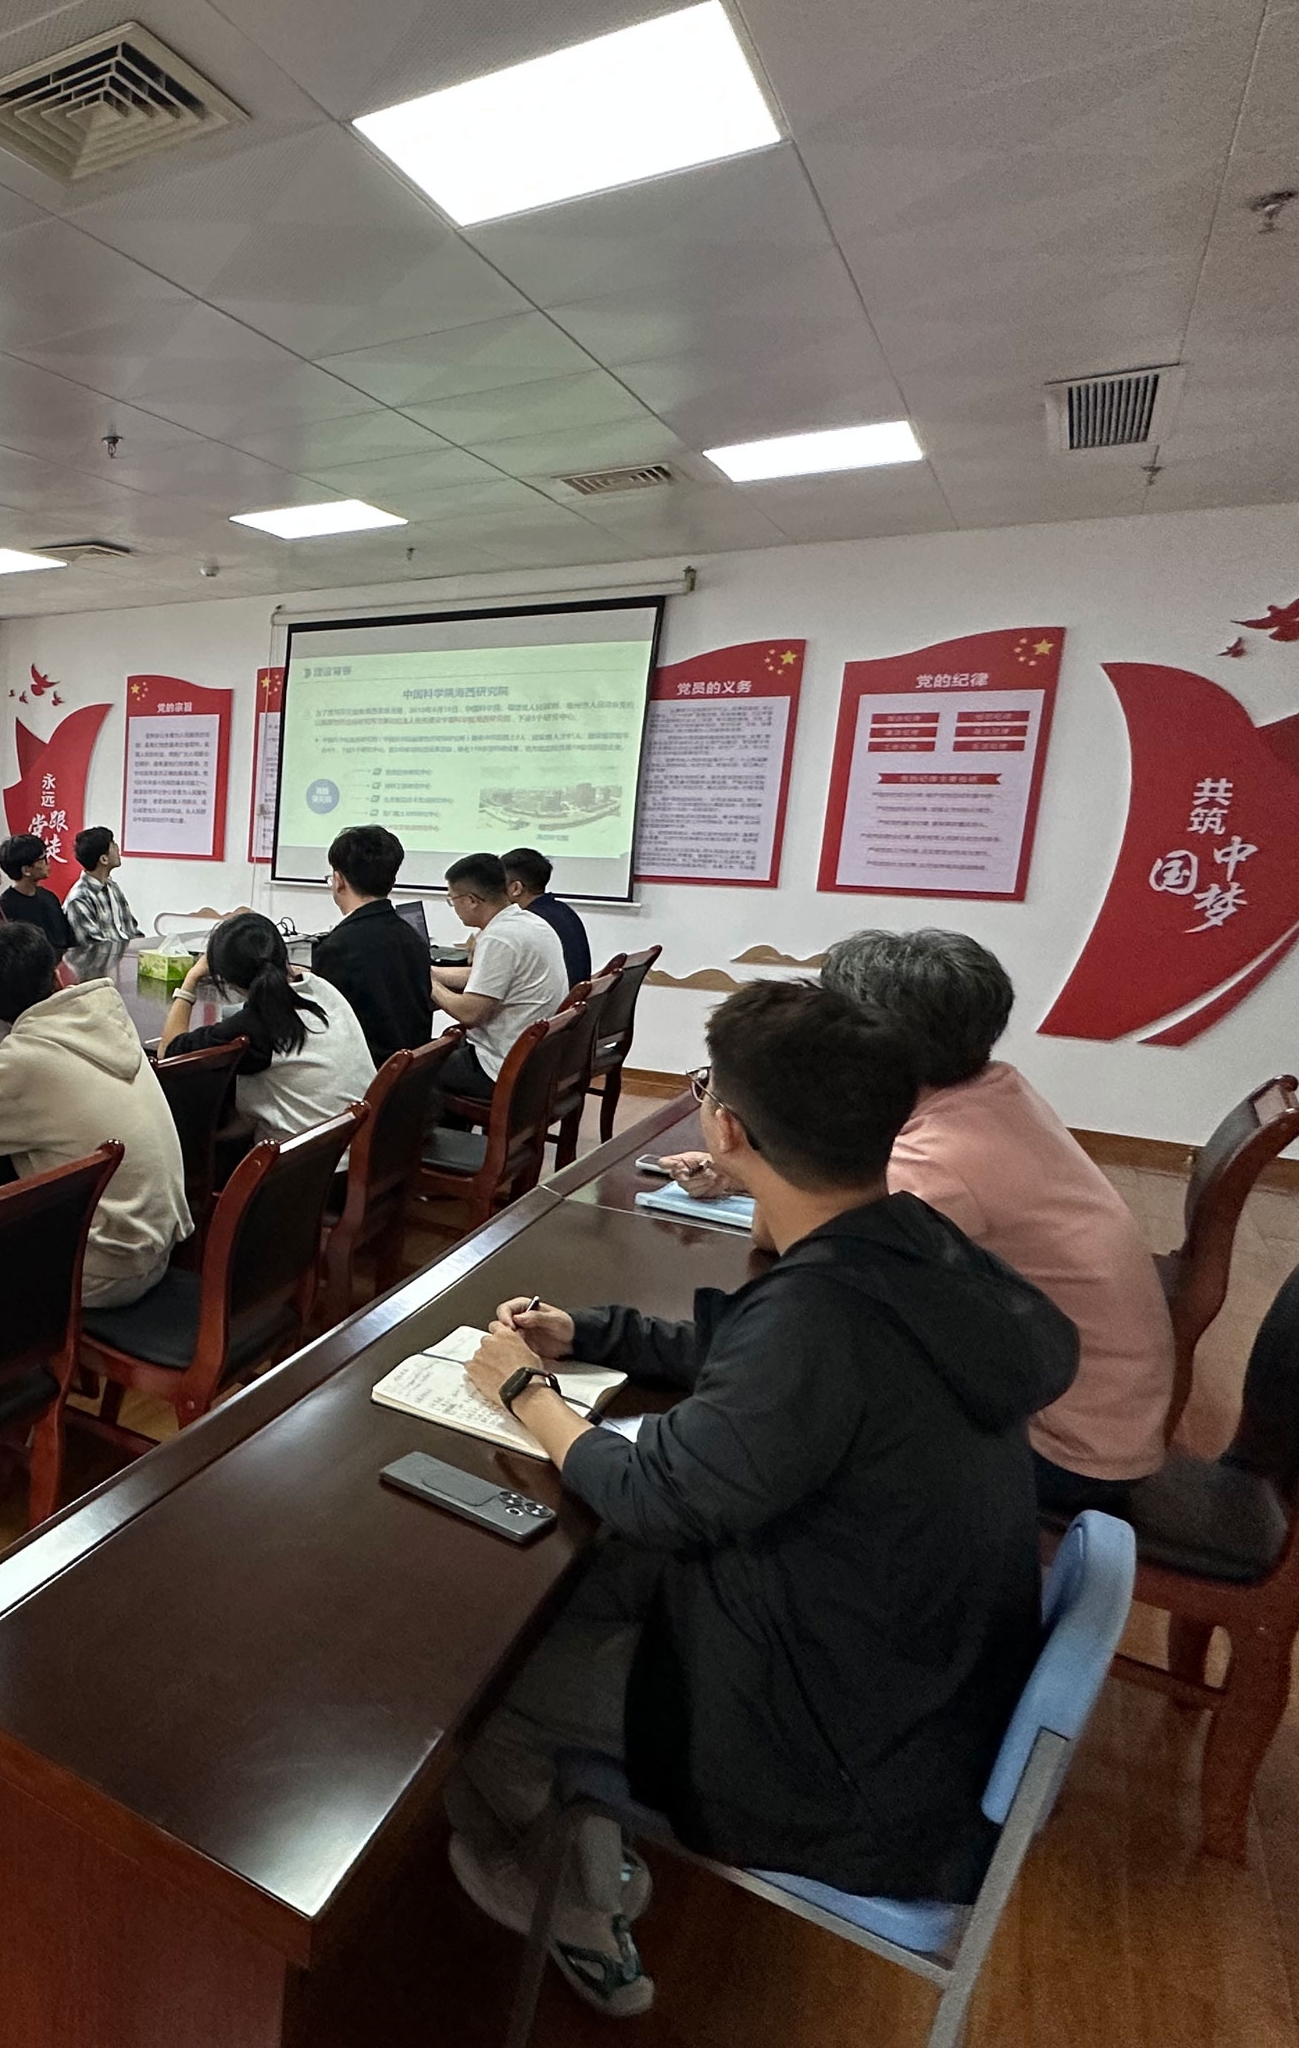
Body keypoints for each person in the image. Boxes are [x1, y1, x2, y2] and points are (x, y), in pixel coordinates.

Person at [448, 979, 1075, 2017]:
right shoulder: (912, 1244)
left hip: (827, 1754)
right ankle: (589, 1843)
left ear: (726, 1127)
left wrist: (528, 1395)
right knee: (589, 1590)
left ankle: (566, 1897)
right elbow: (759, 1351)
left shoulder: (820, 1316)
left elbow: (656, 1492)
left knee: (487, 1684)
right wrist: (590, 1331)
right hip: (905, 1677)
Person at [663, 929, 1170, 1513]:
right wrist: (738, 1173)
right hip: (1087, 1398)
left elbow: (785, 1237)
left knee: (782, 1410)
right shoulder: (993, 1087)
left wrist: (745, 1159)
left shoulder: (938, 1161)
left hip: (1063, 1446)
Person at [0, 924, 190, 1307]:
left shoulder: (25, 1061)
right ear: (58, 974)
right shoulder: (108, 1018)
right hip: (159, 1247)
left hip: (103, 1272)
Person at [158, 910, 377, 1144]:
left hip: (312, 1159)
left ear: (227, 979)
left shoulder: (257, 1024)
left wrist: (191, 979)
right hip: (361, 1143)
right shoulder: (320, 988)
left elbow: (168, 1053)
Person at [430, 851, 569, 1104]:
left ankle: (442, 1130)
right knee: (433, 1053)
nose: (454, 907)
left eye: (453, 900)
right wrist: (433, 971)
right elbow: (486, 975)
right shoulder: (531, 923)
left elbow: (470, 1013)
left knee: (410, 1073)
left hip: (501, 1067)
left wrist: (429, 984)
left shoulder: (499, 937)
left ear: (471, 900)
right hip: (537, 1059)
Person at [309, 824, 434, 1064]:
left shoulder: (337, 947)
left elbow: (322, 1029)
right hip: (406, 1072)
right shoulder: (411, 936)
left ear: (338, 881)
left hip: (363, 1072)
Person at [503, 846, 591, 989]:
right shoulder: (563, 909)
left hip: (555, 1001)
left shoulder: (528, 922)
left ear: (516, 888)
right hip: (573, 999)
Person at [0, 832, 76, 952]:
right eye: (42, 859)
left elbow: (68, 939)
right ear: (26, 870)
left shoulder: (49, 897)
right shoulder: (6, 907)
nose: (48, 862)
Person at [65, 825, 140, 945]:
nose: (117, 848)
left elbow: (132, 930)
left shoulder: (113, 887)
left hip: (126, 953)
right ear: (104, 859)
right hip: (105, 956)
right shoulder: (80, 898)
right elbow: (93, 945)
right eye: (113, 845)